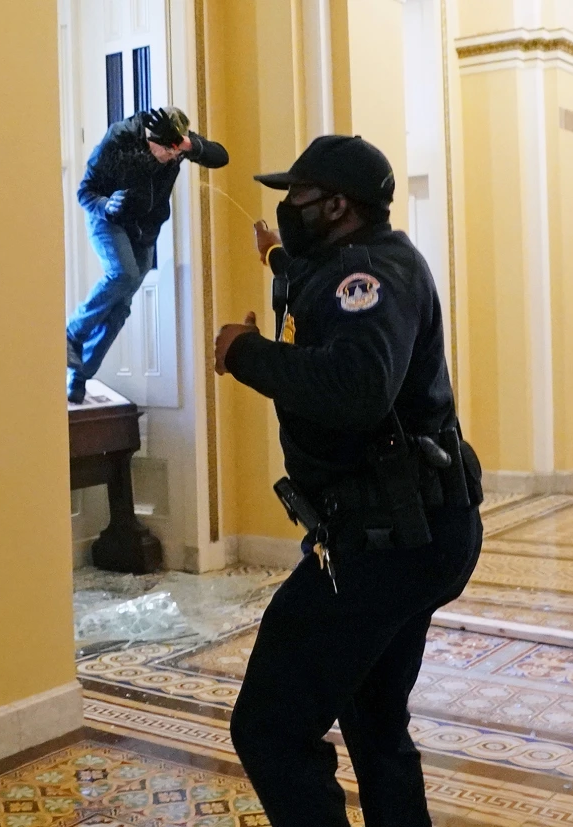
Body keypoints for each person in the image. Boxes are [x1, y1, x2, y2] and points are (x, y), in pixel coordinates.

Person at [212, 135, 484, 827]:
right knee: (373, 716)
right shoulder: (361, 261)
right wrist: (275, 251)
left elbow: (358, 385)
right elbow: (317, 286)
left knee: (270, 726)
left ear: (336, 205)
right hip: (417, 529)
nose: (287, 205)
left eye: (297, 197)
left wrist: (247, 353)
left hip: (385, 540)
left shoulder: (366, 277)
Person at [66, 106, 228, 403]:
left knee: (120, 308)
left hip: (144, 230)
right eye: (165, 150)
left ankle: (79, 375)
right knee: (123, 274)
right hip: (109, 218)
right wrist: (106, 205)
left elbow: (221, 157)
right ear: (147, 138)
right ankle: (71, 333)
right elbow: (84, 192)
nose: (170, 157)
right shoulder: (120, 138)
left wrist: (187, 145)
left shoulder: (178, 144)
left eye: (176, 152)